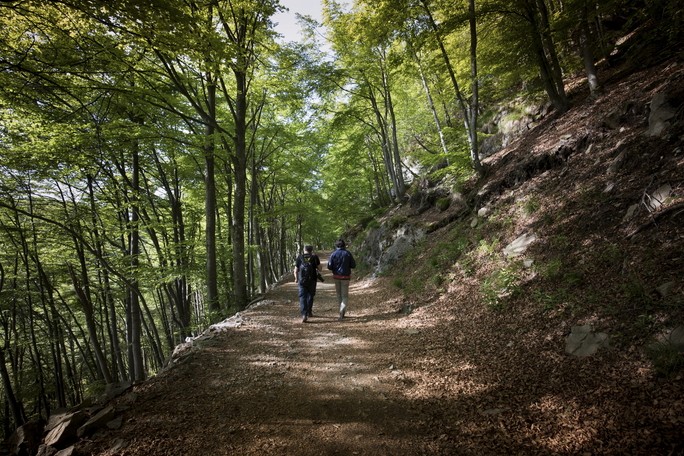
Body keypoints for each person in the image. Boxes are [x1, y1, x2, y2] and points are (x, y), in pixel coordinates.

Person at [327, 239, 356, 321]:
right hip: (346, 277)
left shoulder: (333, 254)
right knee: (345, 296)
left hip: (336, 277)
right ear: (344, 245)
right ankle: (342, 311)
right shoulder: (348, 253)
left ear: (336, 245)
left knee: (339, 295)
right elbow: (353, 265)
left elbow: (329, 266)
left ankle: (341, 312)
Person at [294, 245, 322, 323]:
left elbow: (295, 270)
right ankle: (309, 311)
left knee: (302, 297)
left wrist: (296, 278)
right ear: (311, 250)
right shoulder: (314, 257)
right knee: (310, 296)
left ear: (304, 250)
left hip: (302, 281)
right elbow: (320, 269)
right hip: (312, 280)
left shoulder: (300, 257)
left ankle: (304, 314)